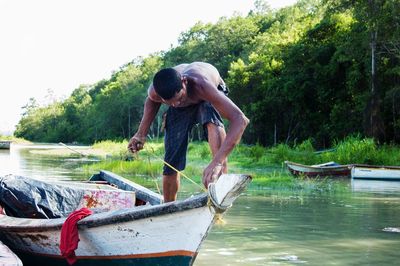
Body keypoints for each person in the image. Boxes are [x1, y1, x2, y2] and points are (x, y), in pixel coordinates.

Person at [128, 62, 249, 202]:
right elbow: (152, 101)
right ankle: (168, 207)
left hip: (209, 95)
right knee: (171, 159)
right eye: (170, 102)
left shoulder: (202, 86)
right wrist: (140, 134)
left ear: (184, 81)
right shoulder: (156, 93)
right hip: (182, 100)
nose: (176, 104)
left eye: (179, 98)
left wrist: (217, 162)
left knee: (209, 114)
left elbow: (241, 120)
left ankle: (219, 185)